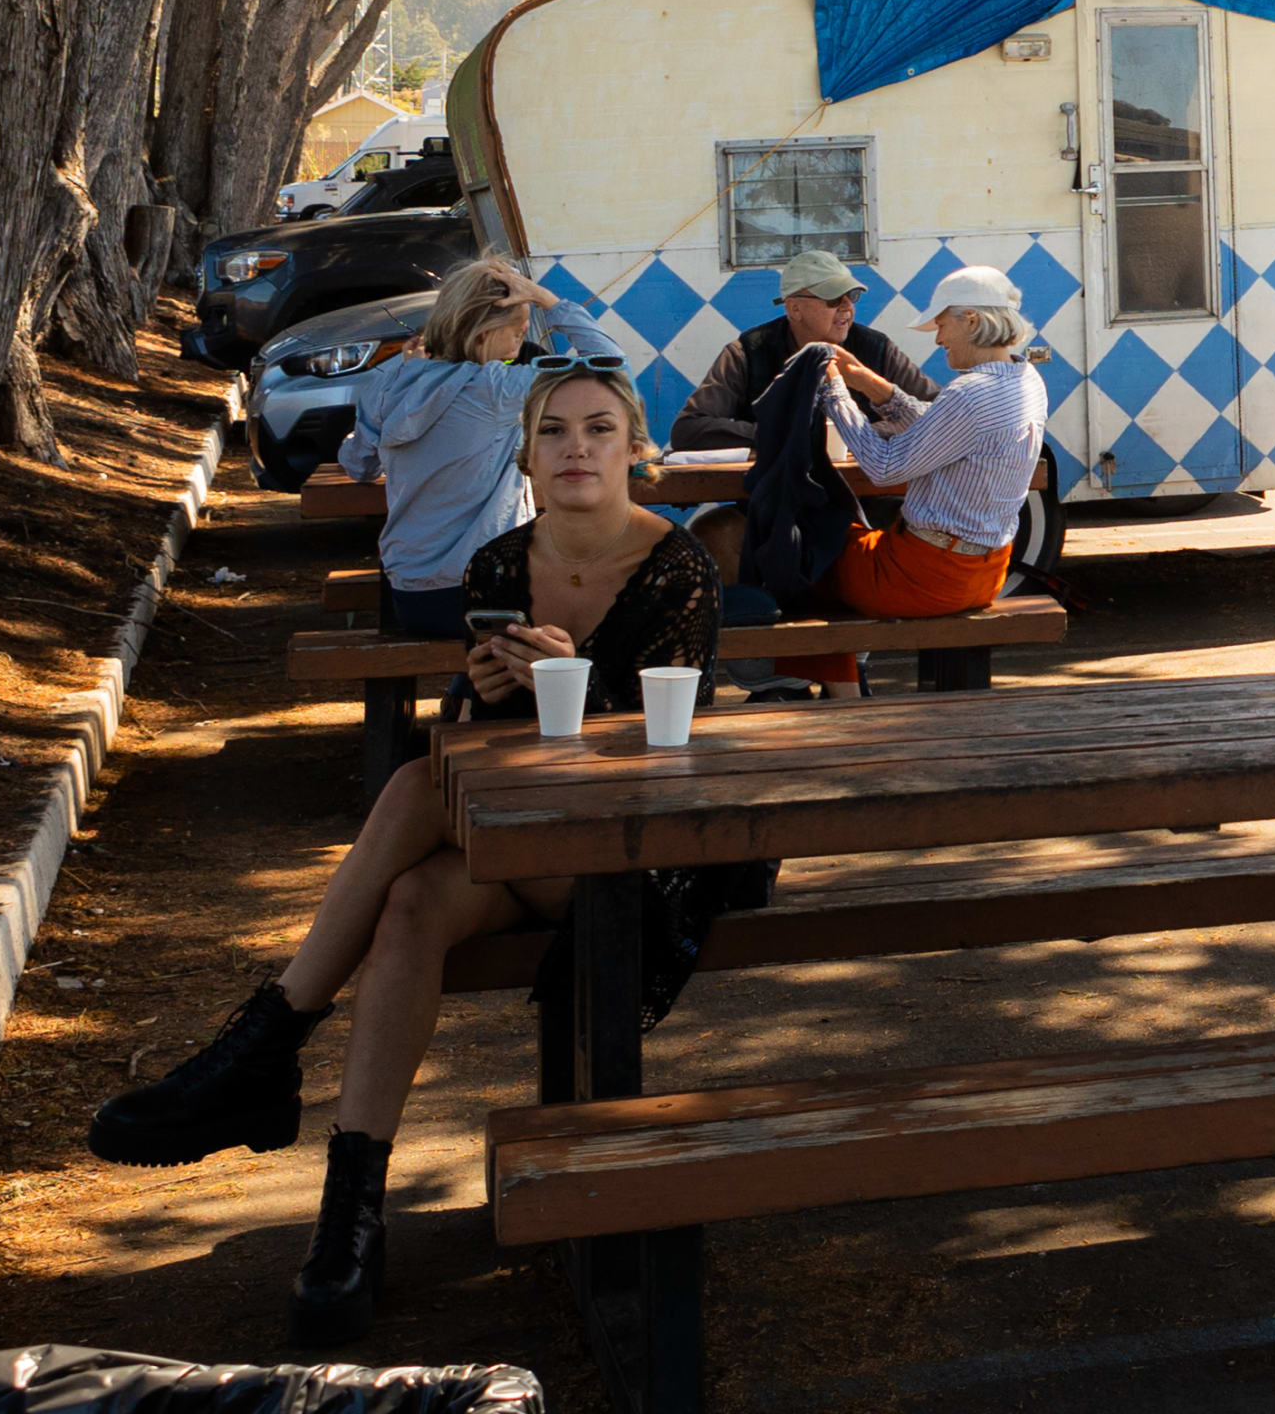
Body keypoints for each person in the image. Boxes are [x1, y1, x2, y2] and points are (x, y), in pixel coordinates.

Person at [92, 364, 742, 1346]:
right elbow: (466, 744)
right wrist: (483, 694)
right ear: (525, 450)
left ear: (634, 449)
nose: (575, 448)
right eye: (555, 430)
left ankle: (267, 1044)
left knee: (408, 789)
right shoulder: (495, 568)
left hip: (628, 865)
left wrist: (572, 682)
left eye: (599, 429)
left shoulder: (678, 569)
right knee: (409, 905)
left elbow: (665, 757)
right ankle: (351, 1211)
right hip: (510, 845)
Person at [341, 257, 610, 635]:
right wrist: (546, 299)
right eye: (518, 332)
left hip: (411, 595)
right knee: (605, 599)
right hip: (487, 590)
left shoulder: (388, 382)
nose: (521, 344)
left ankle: (468, 688)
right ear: (484, 333)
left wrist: (410, 375)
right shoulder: (497, 388)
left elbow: (359, 466)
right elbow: (611, 370)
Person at [799, 263, 1046, 673]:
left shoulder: (969, 392)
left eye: (941, 324)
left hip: (924, 578)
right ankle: (843, 685)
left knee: (804, 557)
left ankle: (829, 691)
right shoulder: (1026, 379)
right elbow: (942, 429)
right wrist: (867, 382)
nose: (938, 337)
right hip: (987, 573)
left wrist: (833, 391)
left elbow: (884, 467)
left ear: (971, 321)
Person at [670, 249, 933, 452]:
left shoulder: (877, 348)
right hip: (774, 498)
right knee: (719, 526)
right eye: (832, 299)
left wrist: (857, 434)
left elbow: (939, 412)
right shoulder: (746, 353)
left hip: (865, 496)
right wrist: (782, 436)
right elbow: (688, 430)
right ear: (794, 308)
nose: (846, 307)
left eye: (850, 296)